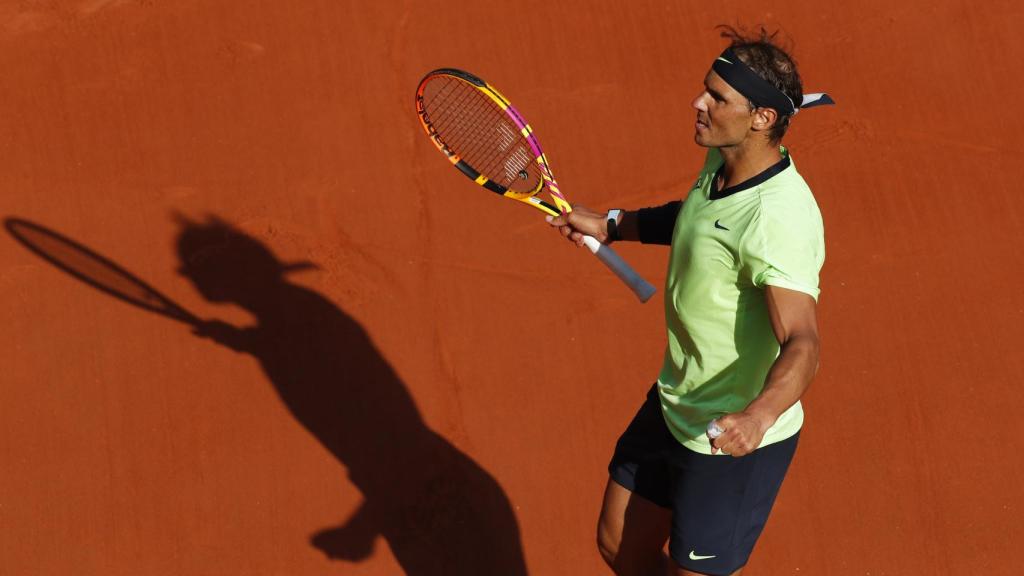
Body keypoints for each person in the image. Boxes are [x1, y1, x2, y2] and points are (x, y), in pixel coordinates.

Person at [548, 27, 833, 576]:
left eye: (717, 97)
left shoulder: (777, 220)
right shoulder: (726, 162)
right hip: (676, 398)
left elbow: (804, 340)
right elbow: (696, 219)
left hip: (729, 436)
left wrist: (756, 417)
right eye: (706, 89)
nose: (697, 103)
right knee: (619, 546)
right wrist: (614, 224)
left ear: (762, 118)